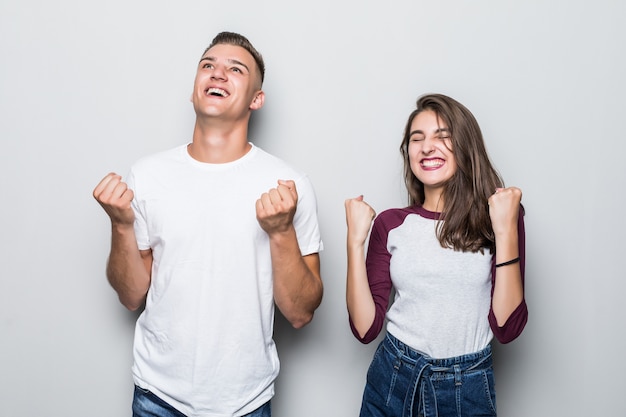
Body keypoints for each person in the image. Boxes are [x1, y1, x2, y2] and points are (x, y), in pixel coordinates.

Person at [92, 31, 324, 417]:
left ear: (256, 98)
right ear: (194, 89)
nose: (218, 74)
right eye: (208, 66)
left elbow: (301, 313)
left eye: (235, 69)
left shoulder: (289, 184)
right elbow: (132, 295)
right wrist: (119, 225)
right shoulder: (147, 174)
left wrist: (281, 231)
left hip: (245, 402)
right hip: (157, 396)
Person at [345, 93, 527, 417]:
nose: (427, 147)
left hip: (466, 387)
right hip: (392, 377)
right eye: (418, 139)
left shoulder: (499, 216)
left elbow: (507, 327)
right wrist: (354, 242)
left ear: (465, 146)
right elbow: (364, 329)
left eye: (442, 137)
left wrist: (505, 230)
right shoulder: (391, 223)